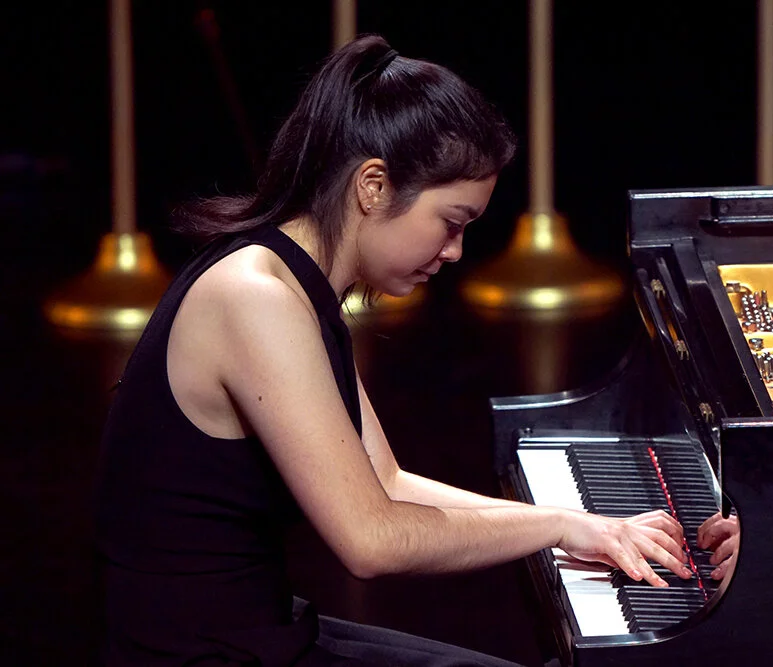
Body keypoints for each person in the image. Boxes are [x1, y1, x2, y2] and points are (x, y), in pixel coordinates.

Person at [94, 34, 737, 667]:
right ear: (373, 185)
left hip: (259, 634)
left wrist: (571, 519)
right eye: (450, 223)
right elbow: (371, 540)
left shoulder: (294, 284)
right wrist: (558, 528)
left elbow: (388, 483)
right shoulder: (255, 297)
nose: (455, 251)